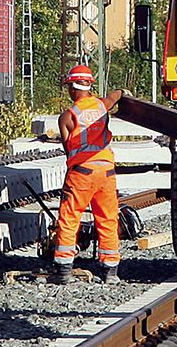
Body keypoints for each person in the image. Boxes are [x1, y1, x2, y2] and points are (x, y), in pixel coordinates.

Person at [51, 64, 125, 285]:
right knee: (107, 218)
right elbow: (116, 95)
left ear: (72, 89)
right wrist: (123, 92)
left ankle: (64, 270)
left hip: (82, 172)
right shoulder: (102, 106)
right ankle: (111, 271)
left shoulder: (67, 116)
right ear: (89, 85)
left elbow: (69, 150)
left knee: (70, 218)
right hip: (107, 171)